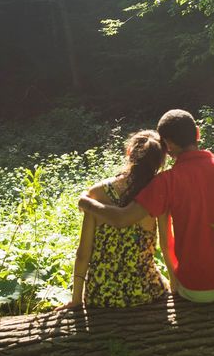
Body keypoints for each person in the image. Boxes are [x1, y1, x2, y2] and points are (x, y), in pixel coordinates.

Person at [79, 109, 214, 302]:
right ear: (198, 133)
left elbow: (122, 219)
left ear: (167, 145)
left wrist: (86, 203)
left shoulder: (167, 181)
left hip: (196, 290)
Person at [70, 129, 172, 307]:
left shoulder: (96, 193)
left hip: (100, 295)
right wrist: (176, 286)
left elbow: (83, 254)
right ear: (160, 161)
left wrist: (76, 300)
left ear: (128, 153)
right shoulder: (158, 194)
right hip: (145, 291)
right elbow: (166, 246)